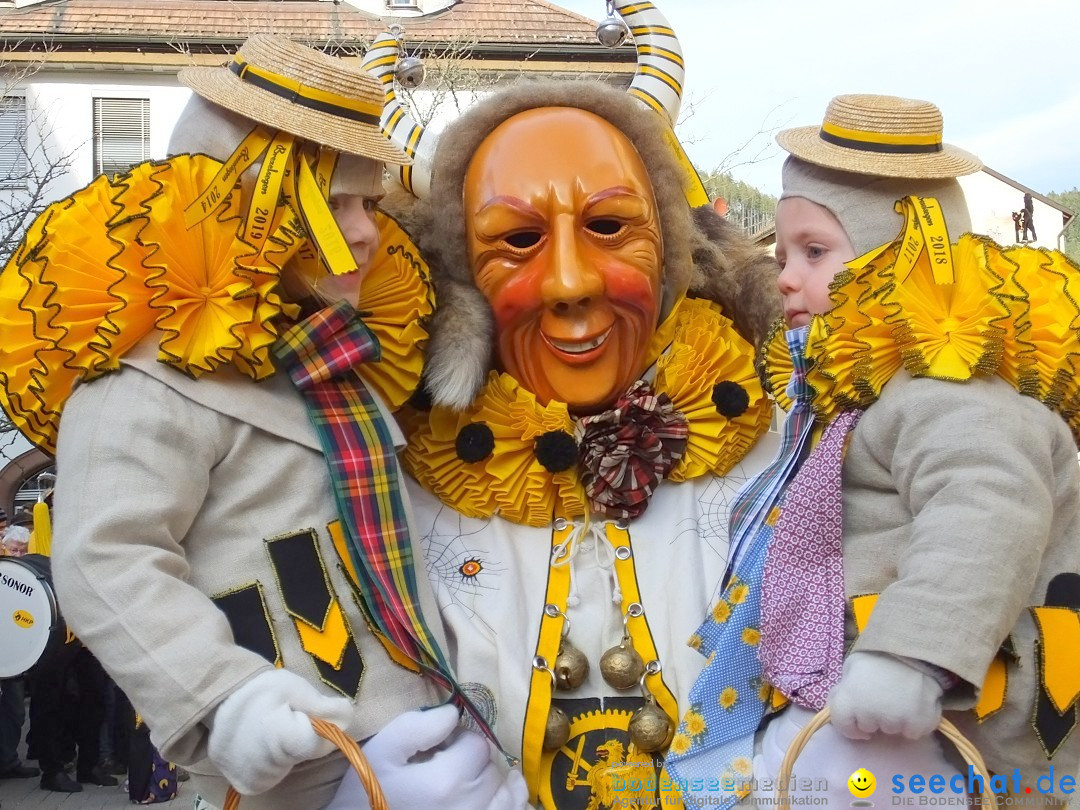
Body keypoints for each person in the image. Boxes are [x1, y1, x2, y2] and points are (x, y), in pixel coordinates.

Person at [0, 34, 525, 810]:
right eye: (333, 202)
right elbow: (103, 556)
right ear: (240, 203)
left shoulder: (341, 365)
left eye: (370, 203)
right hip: (293, 773)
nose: (366, 232)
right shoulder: (141, 382)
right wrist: (226, 701)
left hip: (425, 743)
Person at [365, 3, 784, 806]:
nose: (570, 283)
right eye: (517, 241)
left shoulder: (775, 454)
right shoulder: (399, 478)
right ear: (460, 281)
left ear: (670, 252)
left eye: (609, 227)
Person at [669, 94, 1080, 808]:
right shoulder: (858, 396)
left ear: (901, 263)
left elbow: (991, 511)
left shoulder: (949, 392)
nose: (786, 275)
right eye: (784, 252)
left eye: (815, 252)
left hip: (946, 716)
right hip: (869, 718)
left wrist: (909, 656)